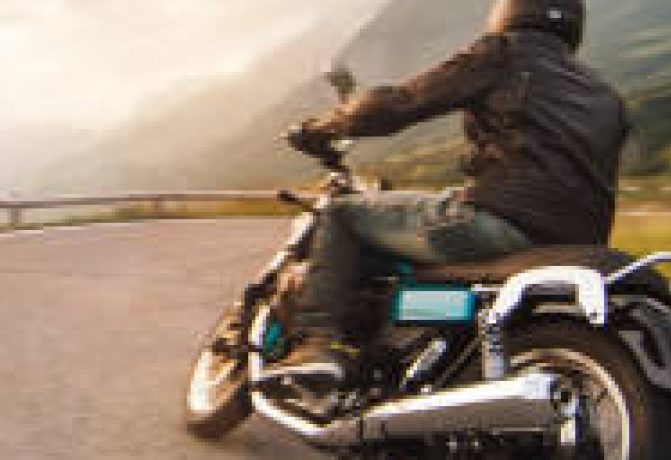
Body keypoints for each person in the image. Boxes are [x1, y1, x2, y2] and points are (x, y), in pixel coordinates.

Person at [269, 0, 628, 391]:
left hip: (499, 221)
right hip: (575, 242)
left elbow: (400, 103)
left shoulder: (502, 53)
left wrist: (323, 128)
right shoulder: (605, 93)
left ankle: (316, 341)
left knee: (342, 215)